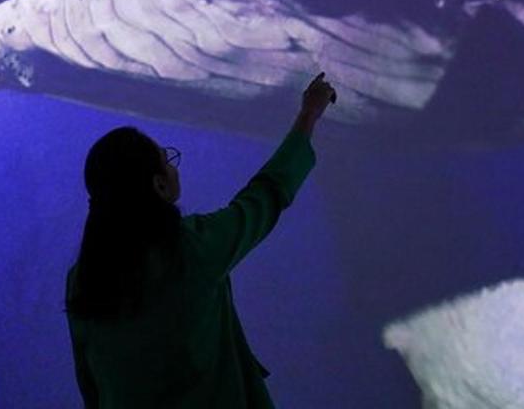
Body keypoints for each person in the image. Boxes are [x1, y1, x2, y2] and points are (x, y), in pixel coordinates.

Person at [65, 73, 338, 408]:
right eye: (166, 160)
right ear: (158, 185)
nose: (173, 167)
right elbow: (265, 196)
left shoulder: (82, 280)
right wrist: (308, 115)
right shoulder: (193, 248)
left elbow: (90, 382)